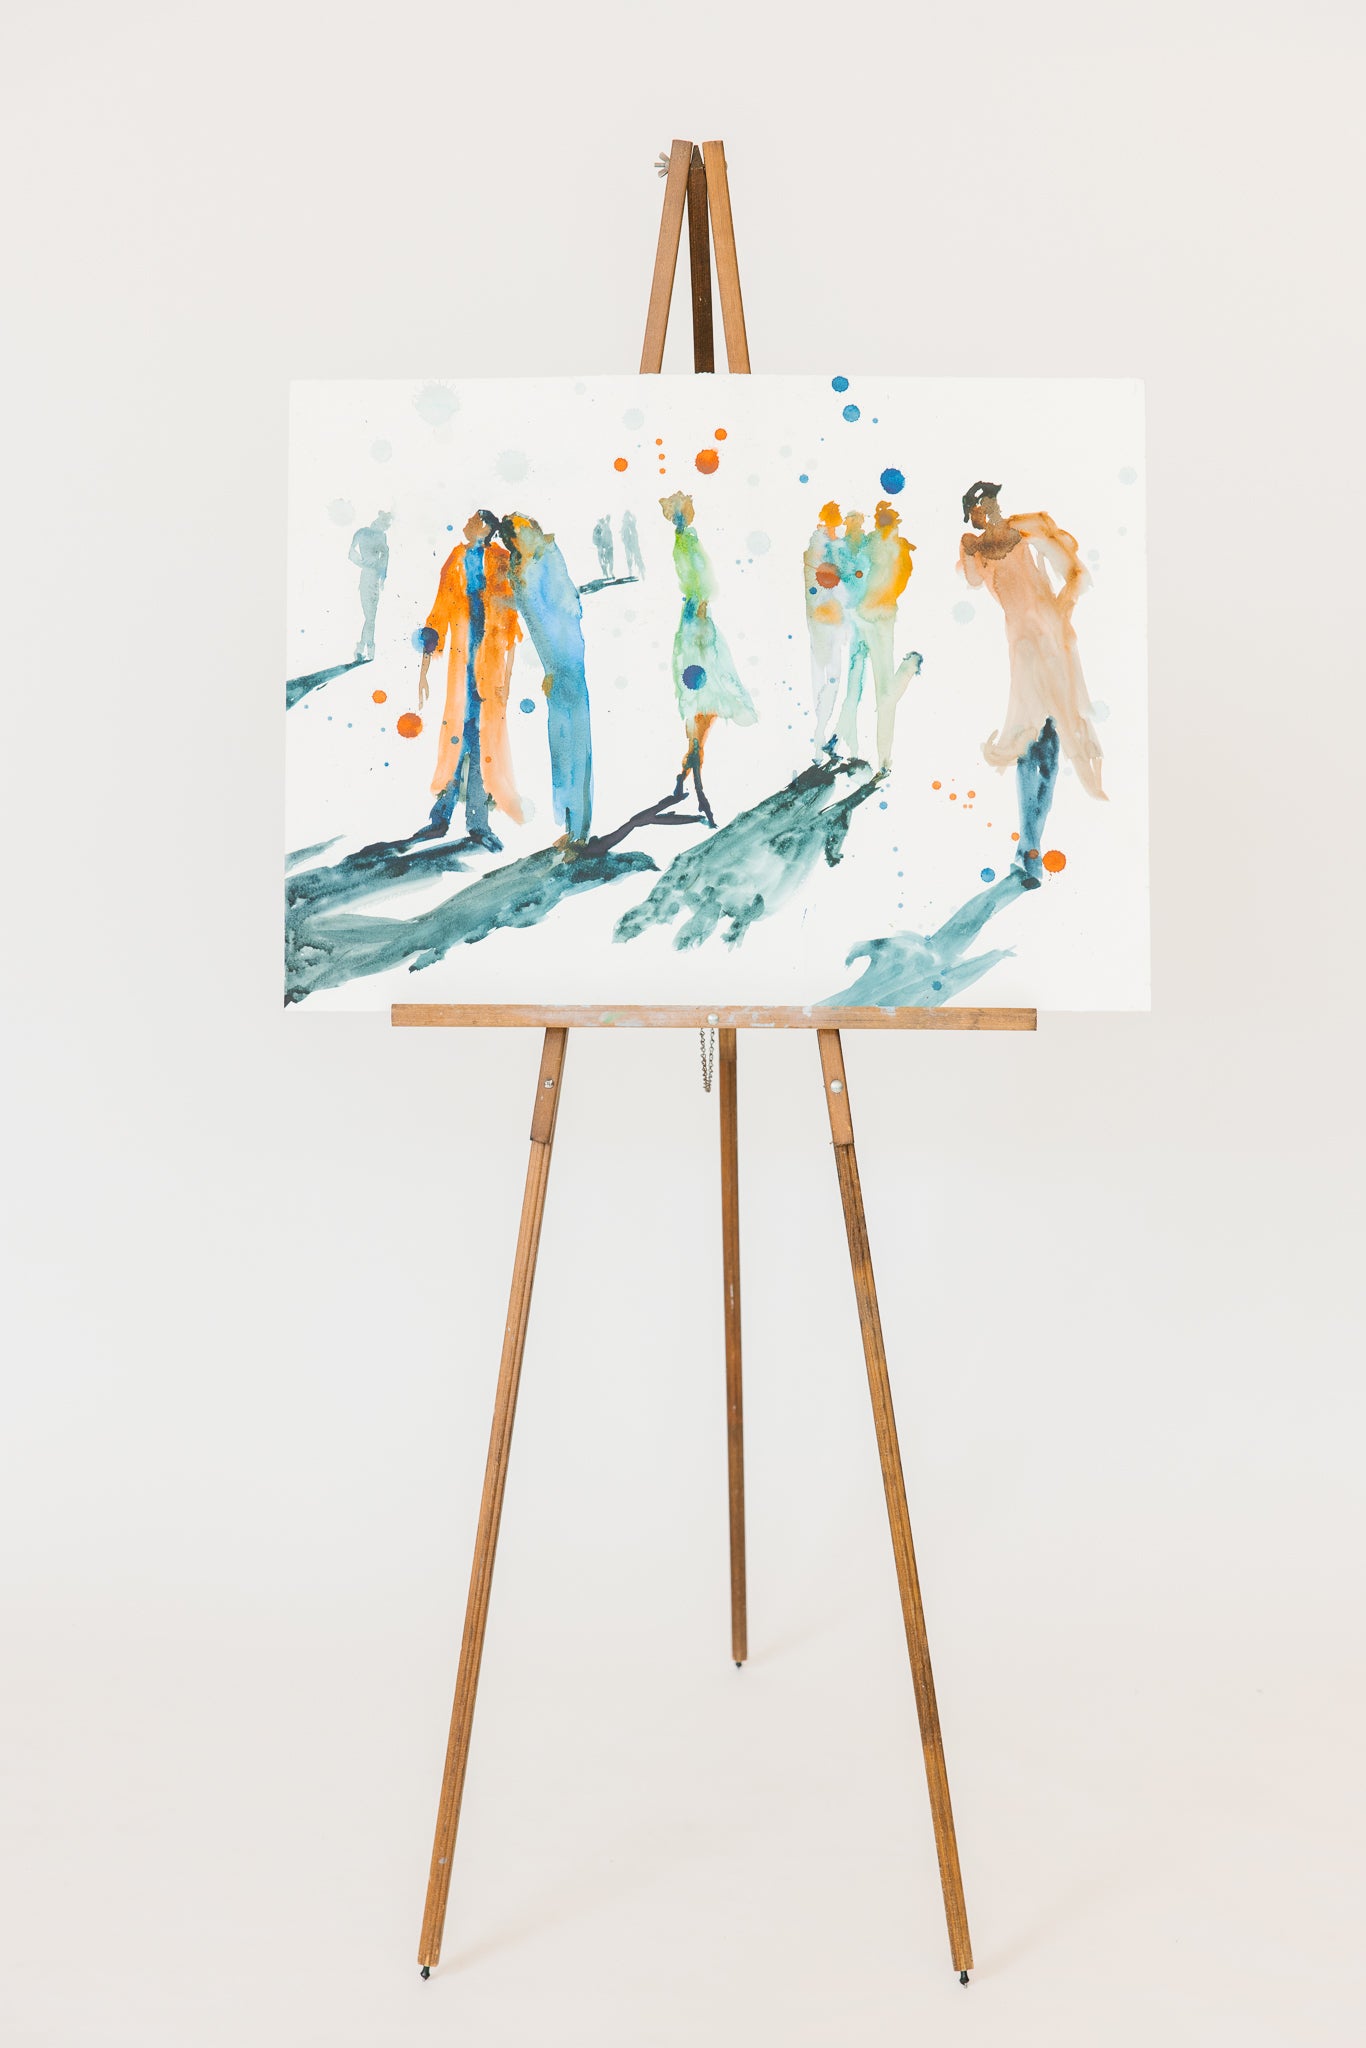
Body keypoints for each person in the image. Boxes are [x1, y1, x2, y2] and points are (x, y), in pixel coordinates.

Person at [958, 480, 1105, 882]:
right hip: (1022, 644)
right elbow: (972, 579)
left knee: (1053, 734)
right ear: (972, 514)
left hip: (1052, 638)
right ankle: (1029, 844)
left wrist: (1062, 608)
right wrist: (970, 547)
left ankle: (1030, 846)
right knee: (1028, 733)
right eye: (981, 506)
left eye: (992, 501)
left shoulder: (1026, 528)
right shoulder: (973, 545)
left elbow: (1074, 572)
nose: (990, 509)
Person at [416, 510, 524, 850]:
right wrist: (423, 669)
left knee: (482, 743)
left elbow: (511, 623)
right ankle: (441, 817)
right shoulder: (456, 558)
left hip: (490, 667)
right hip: (462, 665)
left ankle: (478, 822)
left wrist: (507, 678)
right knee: (457, 739)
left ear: (486, 529)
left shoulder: (501, 561)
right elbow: (438, 612)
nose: (466, 524)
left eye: (474, 521)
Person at [660, 491, 757, 826]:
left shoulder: (685, 543)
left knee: (698, 733)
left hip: (698, 637)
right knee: (699, 731)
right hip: (698, 639)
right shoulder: (687, 546)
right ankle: (697, 794)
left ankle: (687, 785)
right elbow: (703, 584)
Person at [501, 513, 595, 843]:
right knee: (560, 745)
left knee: (573, 743)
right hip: (553, 666)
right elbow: (531, 609)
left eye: (527, 529)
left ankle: (579, 831)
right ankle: (571, 826)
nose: (526, 535)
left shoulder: (548, 560)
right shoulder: (522, 566)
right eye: (518, 533)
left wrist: (557, 668)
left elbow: (564, 612)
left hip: (565, 661)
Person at [856, 500, 917, 769]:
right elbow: (856, 569)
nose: (880, 521)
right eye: (879, 517)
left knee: (883, 690)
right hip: (864, 613)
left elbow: (904, 576)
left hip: (881, 614)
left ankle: (884, 759)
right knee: (878, 689)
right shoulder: (872, 542)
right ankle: (882, 759)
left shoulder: (898, 547)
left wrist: (885, 596)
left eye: (885, 518)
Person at [804, 501, 852, 750]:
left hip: (833, 623)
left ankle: (821, 733)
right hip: (823, 624)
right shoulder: (818, 548)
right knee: (825, 676)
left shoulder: (834, 546)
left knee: (831, 677)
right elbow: (826, 580)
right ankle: (820, 733)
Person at [349, 510, 392, 660]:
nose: (384, 527)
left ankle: (361, 648)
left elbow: (385, 557)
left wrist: (379, 574)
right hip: (370, 579)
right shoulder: (369, 534)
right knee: (370, 617)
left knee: (370, 616)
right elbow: (351, 552)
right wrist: (378, 572)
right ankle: (367, 647)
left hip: (371, 579)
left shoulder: (365, 533)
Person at [620, 508, 645, 580]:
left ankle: (640, 571)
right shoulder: (627, 524)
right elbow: (622, 536)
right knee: (631, 558)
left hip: (632, 544)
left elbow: (634, 519)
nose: (627, 518)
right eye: (626, 516)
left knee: (635, 558)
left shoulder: (630, 524)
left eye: (628, 516)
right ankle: (633, 571)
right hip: (630, 544)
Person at [592, 514, 615, 580]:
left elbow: (610, 536)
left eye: (603, 521)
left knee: (611, 560)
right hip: (601, 547)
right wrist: (600, 546)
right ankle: (605, 573)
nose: (602, 522)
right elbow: (596, 539)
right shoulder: (597, 529)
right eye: (601, 521)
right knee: (603, 561)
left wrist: (611, 545)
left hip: (609, 546)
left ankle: (610, 572)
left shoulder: (606, 526)